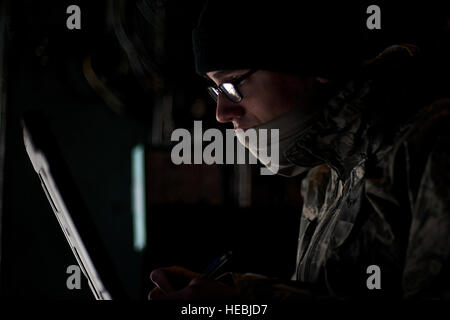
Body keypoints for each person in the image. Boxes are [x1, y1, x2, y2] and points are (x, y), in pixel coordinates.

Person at [149, 1, 450, 300]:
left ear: (310, 61)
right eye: (216, 90)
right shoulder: (325, 174)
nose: (222, 113)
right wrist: (236, 293)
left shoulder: (434, 145)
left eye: (231, 85)